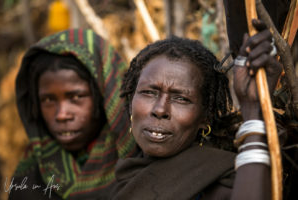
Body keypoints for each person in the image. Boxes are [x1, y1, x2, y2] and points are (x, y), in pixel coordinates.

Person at [111, 19, 282, 200]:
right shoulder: (125, 176)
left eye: (181, 98)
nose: (160, 109)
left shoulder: (221, 185)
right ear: (131, 102)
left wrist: (253, 110)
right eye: (148, 92)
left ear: (205, 117)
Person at [8, 29, 137, 199]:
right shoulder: (28, 180)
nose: (62, 115)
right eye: (48, 100)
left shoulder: (139, 168)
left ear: (104, 95)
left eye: (76, 97)